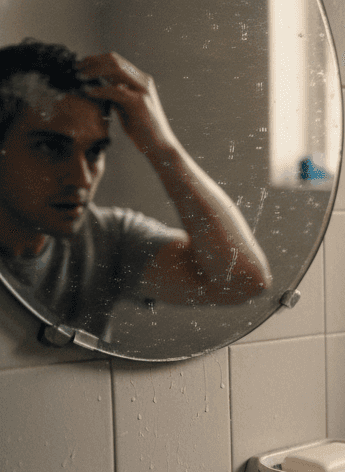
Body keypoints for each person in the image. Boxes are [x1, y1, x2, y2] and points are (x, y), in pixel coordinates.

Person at [0, 39, 271, 342]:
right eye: (50, 147)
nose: (81, 177)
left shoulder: (105, 238)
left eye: (95, 151)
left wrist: (162, 146)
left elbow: (244, 281)